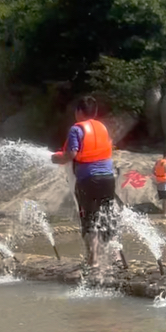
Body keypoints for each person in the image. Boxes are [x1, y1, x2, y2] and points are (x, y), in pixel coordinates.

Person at [51, 96, 117, 268]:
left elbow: (71, 155)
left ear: (79, 112)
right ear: (94, 113)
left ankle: (93, 260)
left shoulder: (76, 130)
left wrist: (55, 159)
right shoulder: (103, 128)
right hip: (108, 179)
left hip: (89, 179)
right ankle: (115, 255)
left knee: (89, 218)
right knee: (108, 216)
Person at [153, 153, 166, 218]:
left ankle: (164, 213)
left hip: (159, 181)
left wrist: (158, 176)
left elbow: (153, 170)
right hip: (164, 181)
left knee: (163, 198)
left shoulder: (158, 162)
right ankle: (165, 214)